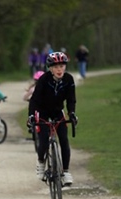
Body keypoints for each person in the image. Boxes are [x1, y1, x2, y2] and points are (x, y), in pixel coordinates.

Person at [28, 52, 78, 185]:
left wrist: (72, 113)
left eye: (62, 66)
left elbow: (71, 100)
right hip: (43, 112)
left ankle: (66, 171)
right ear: (50, 68)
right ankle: (40, 162)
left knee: (64, 140)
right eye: (56, 67)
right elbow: (34, 100)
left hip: (58, 112)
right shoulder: (44, 80)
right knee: (43, 140)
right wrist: (32, 115)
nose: (59, 69)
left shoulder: (69, 79)